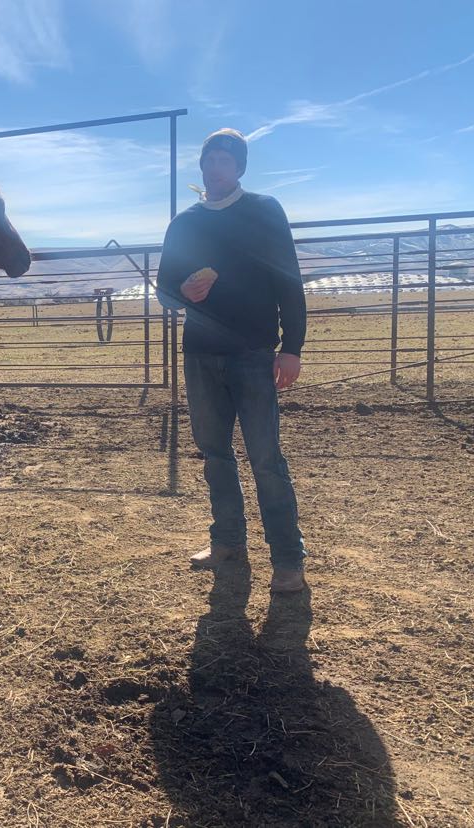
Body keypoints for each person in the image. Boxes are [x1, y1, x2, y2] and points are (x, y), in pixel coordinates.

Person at [156, 128, 308, 592]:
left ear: (239, 167)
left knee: (266, 458)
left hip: (254, 352)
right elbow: (164, 289)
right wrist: (182, 291)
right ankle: (227, 541)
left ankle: (288, 559)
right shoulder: (185, 223)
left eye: (224, 160)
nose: (215, 167)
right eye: (209, 160)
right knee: (215, 454)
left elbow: (289, 279)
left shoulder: (264, 210)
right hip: (201, 353)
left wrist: (292, 347)